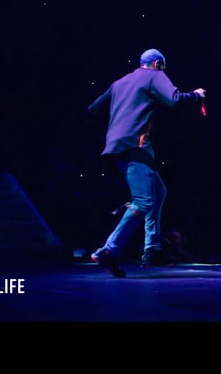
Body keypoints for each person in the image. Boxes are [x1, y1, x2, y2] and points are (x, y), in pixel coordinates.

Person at [88, 48, 205, 277]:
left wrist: (118, 124)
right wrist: (196, 95)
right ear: (158, 64)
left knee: (158, 191)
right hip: (136, 146)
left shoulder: (119, 82)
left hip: (115, 147)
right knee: (143, 202)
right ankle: (109, 250)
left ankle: (152, 248)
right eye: (163, 67)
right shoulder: (154, 75)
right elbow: (173, 99)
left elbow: (93, 109)